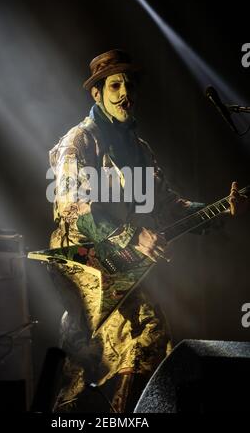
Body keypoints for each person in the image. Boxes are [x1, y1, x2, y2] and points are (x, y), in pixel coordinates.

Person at [48, 49, 248, 412]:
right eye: (115, 85)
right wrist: (131, 235)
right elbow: (73, 207)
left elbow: (168, 204)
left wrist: (220, 209)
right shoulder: (79, 141)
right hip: (83, 263)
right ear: (97, 93)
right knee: (144, 334)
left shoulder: (139, 150)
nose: (125, 93)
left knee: (94, 361)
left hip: (122, 265)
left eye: (129, 85)